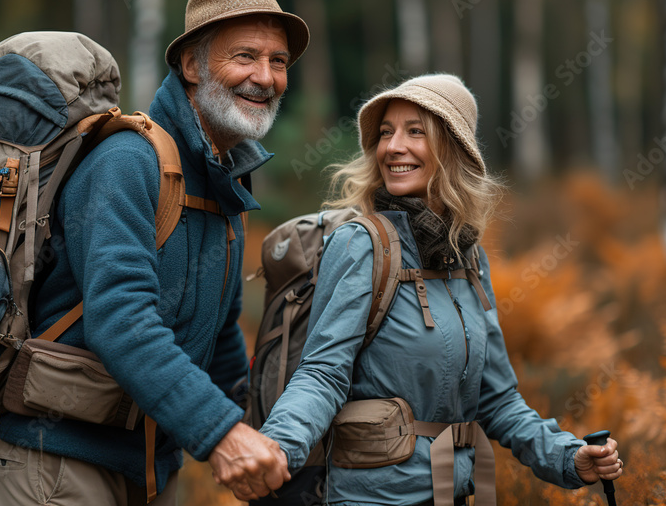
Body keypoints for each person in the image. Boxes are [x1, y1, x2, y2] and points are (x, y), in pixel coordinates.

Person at [0, 0, 309, 505]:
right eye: (245, 57)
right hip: (61, 464)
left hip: (153, 469)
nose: (265, 77)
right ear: (191, 66)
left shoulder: (224, 181)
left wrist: (261, 437)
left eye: (278, 62)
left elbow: (221, 338)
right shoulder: (128, 161)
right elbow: (121, 319)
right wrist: (223, 435)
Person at [252, 74, 624, 505]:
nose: (393, 147)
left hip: (454, 493)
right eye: (386, 133)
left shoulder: (468, 257)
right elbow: (322, 373)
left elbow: (497, 398)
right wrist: (276, 448)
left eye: (416, 132)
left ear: (454, 149)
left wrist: (567, 457)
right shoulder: (362, 244)